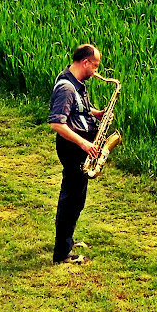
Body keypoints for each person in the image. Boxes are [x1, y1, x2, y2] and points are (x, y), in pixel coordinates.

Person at [48, 43, 106, 264]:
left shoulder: (76, 83)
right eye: (95, 66)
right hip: (73, 149)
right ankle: (62, 254)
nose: (96, 71)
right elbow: (56, 123)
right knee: (71, 199)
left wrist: (97, 113)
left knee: (77, 198)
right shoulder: (66, 88)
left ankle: (67, 240)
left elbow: (78, 108)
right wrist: (84, 144)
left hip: (81, 147)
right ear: (85, 62)